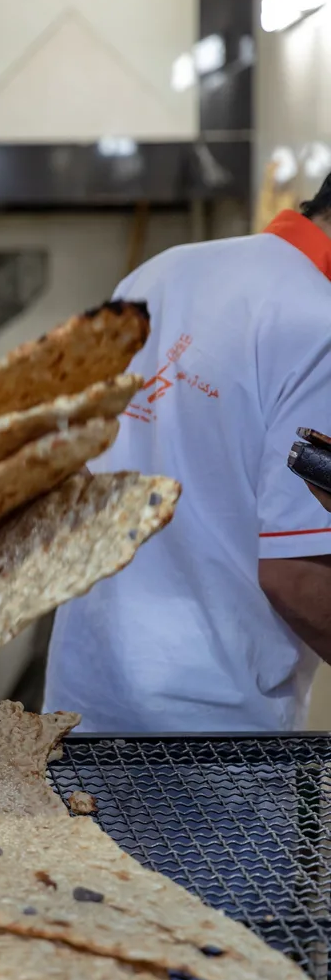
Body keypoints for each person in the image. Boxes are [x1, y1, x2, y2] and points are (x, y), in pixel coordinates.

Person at [44, 172, 331, 733]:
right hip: (213, 736)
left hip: (82, 702)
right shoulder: (319, 325)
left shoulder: (165, 269)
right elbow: (297, 577)